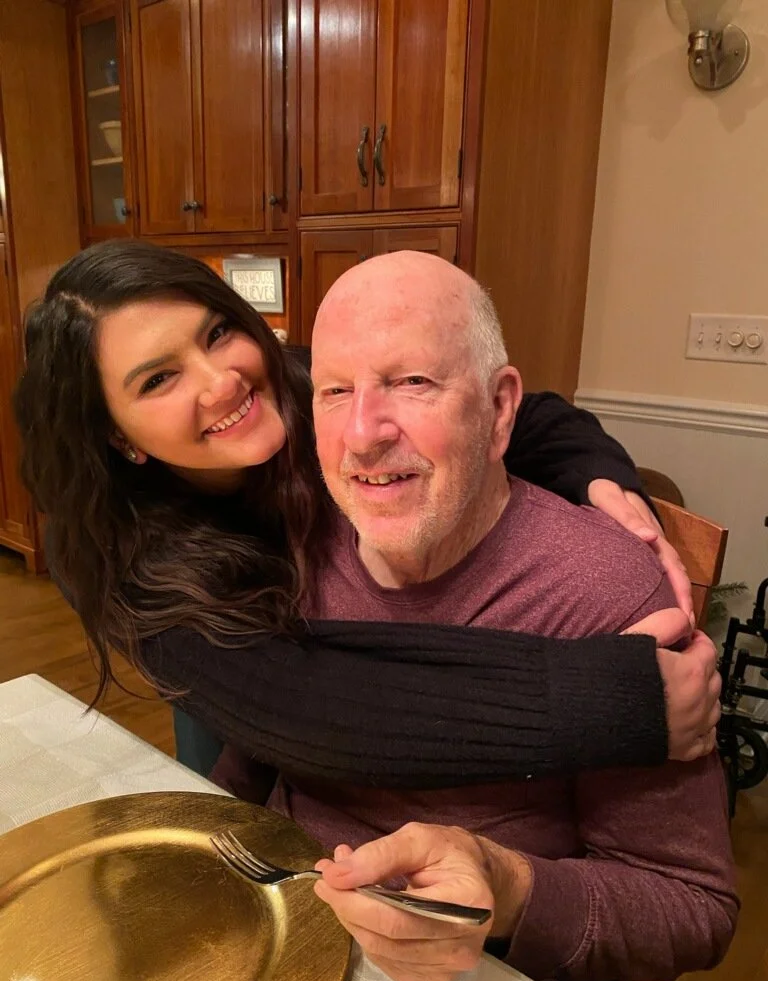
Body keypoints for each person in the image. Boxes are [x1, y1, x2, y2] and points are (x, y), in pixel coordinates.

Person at [13, 241, 719, 796]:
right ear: (118, 436)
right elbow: (305, 715)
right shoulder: (110, 555)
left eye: (218, 332)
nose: (222, 380)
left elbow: (510, 412)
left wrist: (604, 480)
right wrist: (609, 700)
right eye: (159, 379)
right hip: (253, 703)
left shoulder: (305, 391)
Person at [273, 251, 736, 981]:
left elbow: (694, 907)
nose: (361, 434)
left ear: (499, 409)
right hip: (295, 947)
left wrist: (510, 887)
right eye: (334, 391)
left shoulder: (608, 593)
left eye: (412, 382)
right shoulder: (297, 548)